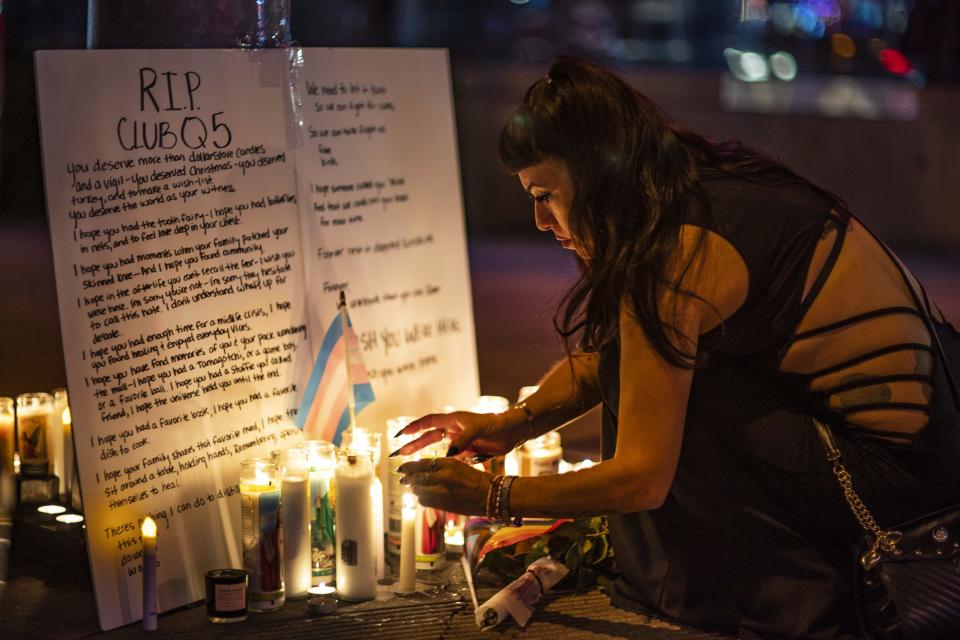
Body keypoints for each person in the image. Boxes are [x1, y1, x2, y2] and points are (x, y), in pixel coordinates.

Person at [392, 56, 960, 639]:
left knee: (680, 393)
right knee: (664, 373)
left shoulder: (677, 251)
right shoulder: (680, 190)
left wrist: (497, 494)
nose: (539, 220)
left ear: (593, 175)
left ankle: (766, 601)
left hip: (894, 481)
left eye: (545, 194)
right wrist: (513, 424)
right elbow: (614, 356)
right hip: (920, 449)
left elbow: (643, 476)